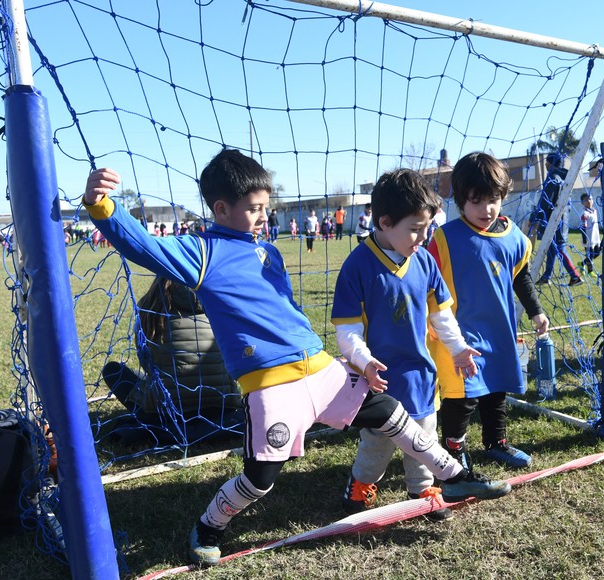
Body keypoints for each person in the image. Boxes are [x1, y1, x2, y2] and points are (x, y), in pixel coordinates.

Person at [83, 149, 511, 567]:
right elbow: (141, 246)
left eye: (267, 207)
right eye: (255, 208)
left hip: (319, 367)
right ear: (221, 208)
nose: (264, 216)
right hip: (271, 387)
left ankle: (454, 479)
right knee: (260, 480)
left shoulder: (267, 250)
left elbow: (283, 309)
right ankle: (209, 528)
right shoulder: (203, 252)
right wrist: (102, 206)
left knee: (390, 412)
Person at [332, 169, 483, 522]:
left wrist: (458, 348)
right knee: (378, 442)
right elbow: (347, 332)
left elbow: (442, 316)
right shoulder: (357, 267)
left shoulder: (425, 262)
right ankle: (360, 483)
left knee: (424, 435)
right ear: (384, 222)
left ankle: (422, 489)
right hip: (379, 380)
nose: (423, 236)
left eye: (427, 227)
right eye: (415, 228)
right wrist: (365, 361)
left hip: (420, 374)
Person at [428, 152, 550, 469]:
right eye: (476, 201)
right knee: (461, 396)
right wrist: (428, 319)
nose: (487, 209)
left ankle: (497, 443)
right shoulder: (445, 239)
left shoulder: (514, 238)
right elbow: (426, 281)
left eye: (493, 199)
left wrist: (535, 311)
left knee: (496, 390)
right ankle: (453, 451)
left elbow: (521, 276)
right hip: (458, 335)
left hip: (498, 331)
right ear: (460, 200)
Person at [101, 276, 243, 438]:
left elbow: (147, 364)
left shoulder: (149, 308)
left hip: (166, 412)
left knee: (113, 371)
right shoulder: (217, 306)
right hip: (223, 406)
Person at [533, 153, 582, 286]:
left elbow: (546, 202)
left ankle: (575, 276)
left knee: (559, 247)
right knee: (551, 248)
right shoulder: (564, 178)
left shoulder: (553, 178)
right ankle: (546, 277)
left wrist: (536, 216)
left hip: (554, 219)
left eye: (547, 162)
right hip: (562, 218)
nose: (545, 164)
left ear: (551, 163)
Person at [579, 193, 602, 273]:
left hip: (595, 237)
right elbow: (582, 227)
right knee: (590, 255)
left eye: (590, 199)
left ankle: (582, 263)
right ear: (582, 202)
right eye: (586, 200)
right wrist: (585, 239)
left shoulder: (594, 211)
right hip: (588, 238)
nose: (589, 201)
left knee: (597, 253)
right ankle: (590, 271)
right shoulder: (584, 214)